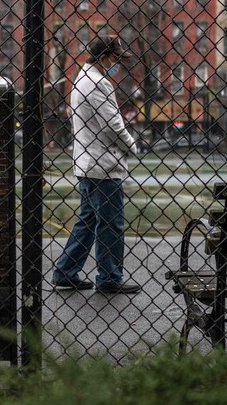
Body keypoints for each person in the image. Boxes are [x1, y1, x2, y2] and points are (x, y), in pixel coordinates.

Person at [52, 36, 140, 294]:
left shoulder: (84, 79)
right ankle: (109, 277)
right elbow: (114, 125)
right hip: (102, 166)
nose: (118, 66)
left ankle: (66, 270)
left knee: (88, 220)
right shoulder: (97, 84)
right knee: (111, 224)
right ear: (103, 58)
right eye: (115, 59)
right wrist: (132, 146)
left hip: (89, 163)